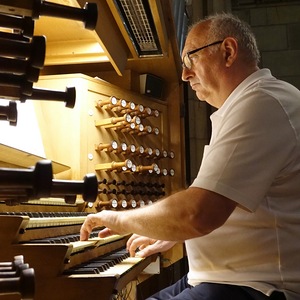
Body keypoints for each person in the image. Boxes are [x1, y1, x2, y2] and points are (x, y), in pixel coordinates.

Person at [80, 12, 300, 300]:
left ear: (228, 52)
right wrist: (172, 231)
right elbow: (236, 200)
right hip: (222, 276)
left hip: (257, 287)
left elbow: (197, 213)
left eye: (189, 59)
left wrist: (118, 219)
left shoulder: (261, 104)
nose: (184, 75)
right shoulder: (250, 103)